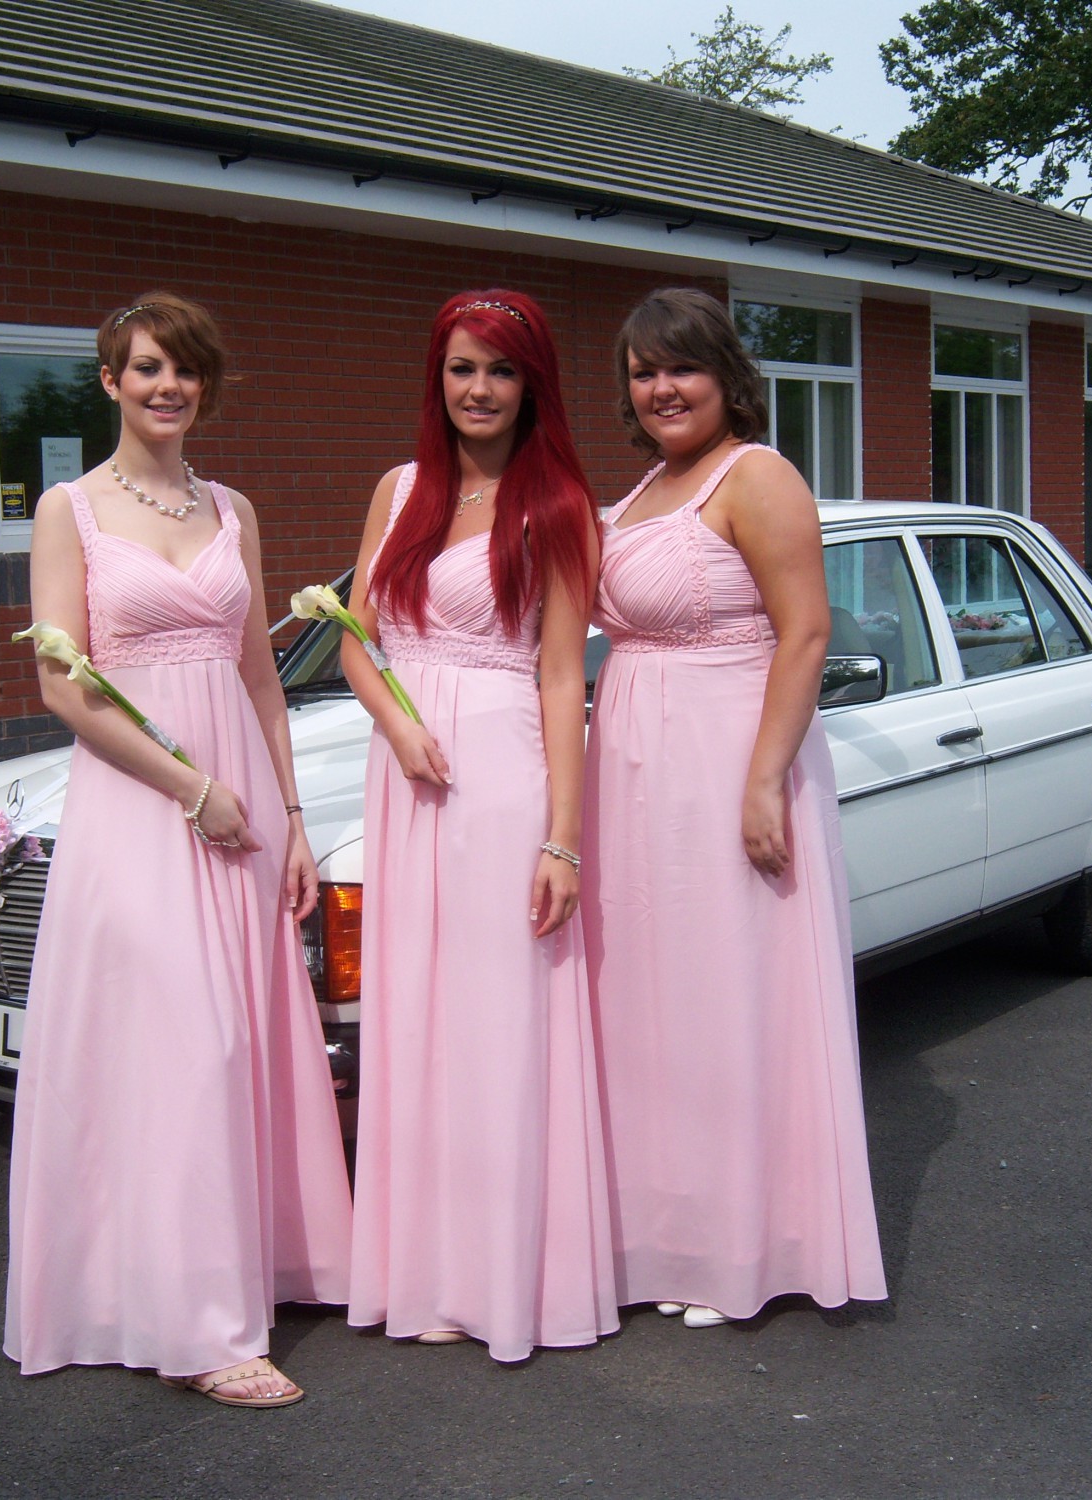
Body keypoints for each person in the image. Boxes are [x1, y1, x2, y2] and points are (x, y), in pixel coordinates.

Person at [4, 291, 351, 1407]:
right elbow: (63, 685)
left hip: (243, 807)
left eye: (185, 370)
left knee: (247, 1037)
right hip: (142, 807)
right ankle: (198, 1328)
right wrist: (191, 789)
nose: (168, 387)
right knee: (181, 1045)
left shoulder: (232, 509)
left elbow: (260, 680)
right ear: (109, 381)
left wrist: (290, 820)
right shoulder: (70, 510)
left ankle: (267, 1265)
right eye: (147, 368)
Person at [583, 288, 886, 1328]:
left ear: (726, 376)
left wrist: (762, 780)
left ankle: (744, 1246)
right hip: (634, 775)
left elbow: (806, 632)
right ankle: (665, 1237)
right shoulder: (639, 492)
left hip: (728, 761)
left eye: (682, 368)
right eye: (642, 373)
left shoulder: (755, 476)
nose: (661, 389)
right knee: (653, 1007)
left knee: (729, 998)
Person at [342, 289, 615, 1361]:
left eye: (500, 371)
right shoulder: (398, 489)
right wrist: (398, 727)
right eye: (461, 368)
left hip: (500, 772)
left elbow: (561, 678)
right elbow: (354, 637)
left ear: (531, 384)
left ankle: (504, 1275)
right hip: (407, 774)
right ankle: (425, 1270)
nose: (479, 390)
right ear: (437, 376)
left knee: (496, 1023)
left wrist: (562, 837)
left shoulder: (558, 506)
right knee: (416, 1018)